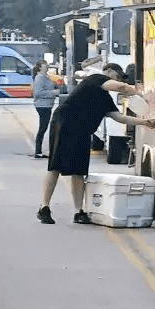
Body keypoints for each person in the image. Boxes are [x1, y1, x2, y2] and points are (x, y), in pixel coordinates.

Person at [38, 65, 139, 224]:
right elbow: (121, 87)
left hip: (82, 130)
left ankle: (78, 211)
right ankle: (44, 207)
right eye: (118, 77)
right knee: (55, 166)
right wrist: (139, 92)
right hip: (64, 123)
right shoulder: (96, 78)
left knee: (79, 171)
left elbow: (120, 118)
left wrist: (145, 122)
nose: (118, 81)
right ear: (110, 71)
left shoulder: (106, 99)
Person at [31, 57, 62, 159]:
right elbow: (38, 93)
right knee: (43, 128)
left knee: (43, 127)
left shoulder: (46, 77)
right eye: (45, 65)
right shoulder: (40, 78)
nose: (47, 66)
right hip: (42, 105)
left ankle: (39, 151)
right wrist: (53, 93)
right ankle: (38, 151)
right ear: (40, 68)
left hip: (47, 105)